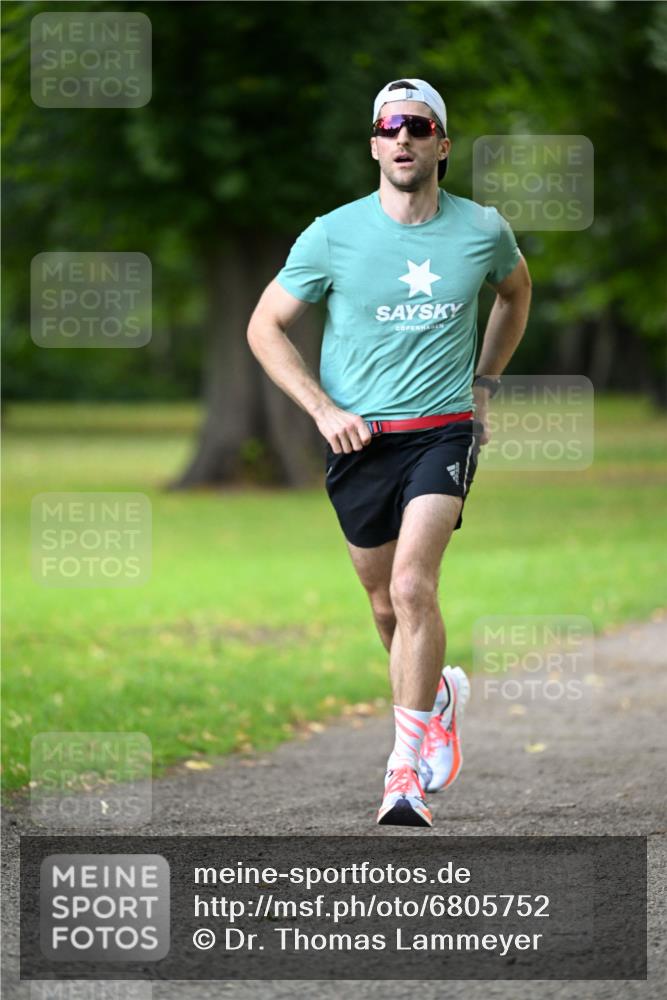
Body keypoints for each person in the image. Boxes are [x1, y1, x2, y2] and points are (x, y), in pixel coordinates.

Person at [247, 79, 532, 827]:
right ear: (374, 145)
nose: (402, 136)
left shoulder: (482, 230)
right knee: (383, 606)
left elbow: (515, 294)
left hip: (443, 432)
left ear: (442, 144)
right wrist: (322, 409)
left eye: (418, 126)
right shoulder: (330, 236)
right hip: (359, 443)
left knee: (411, 587)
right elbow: (264, 327)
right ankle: (436, 701)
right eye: (389, 126)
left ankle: (402, 772)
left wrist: (484, 385)